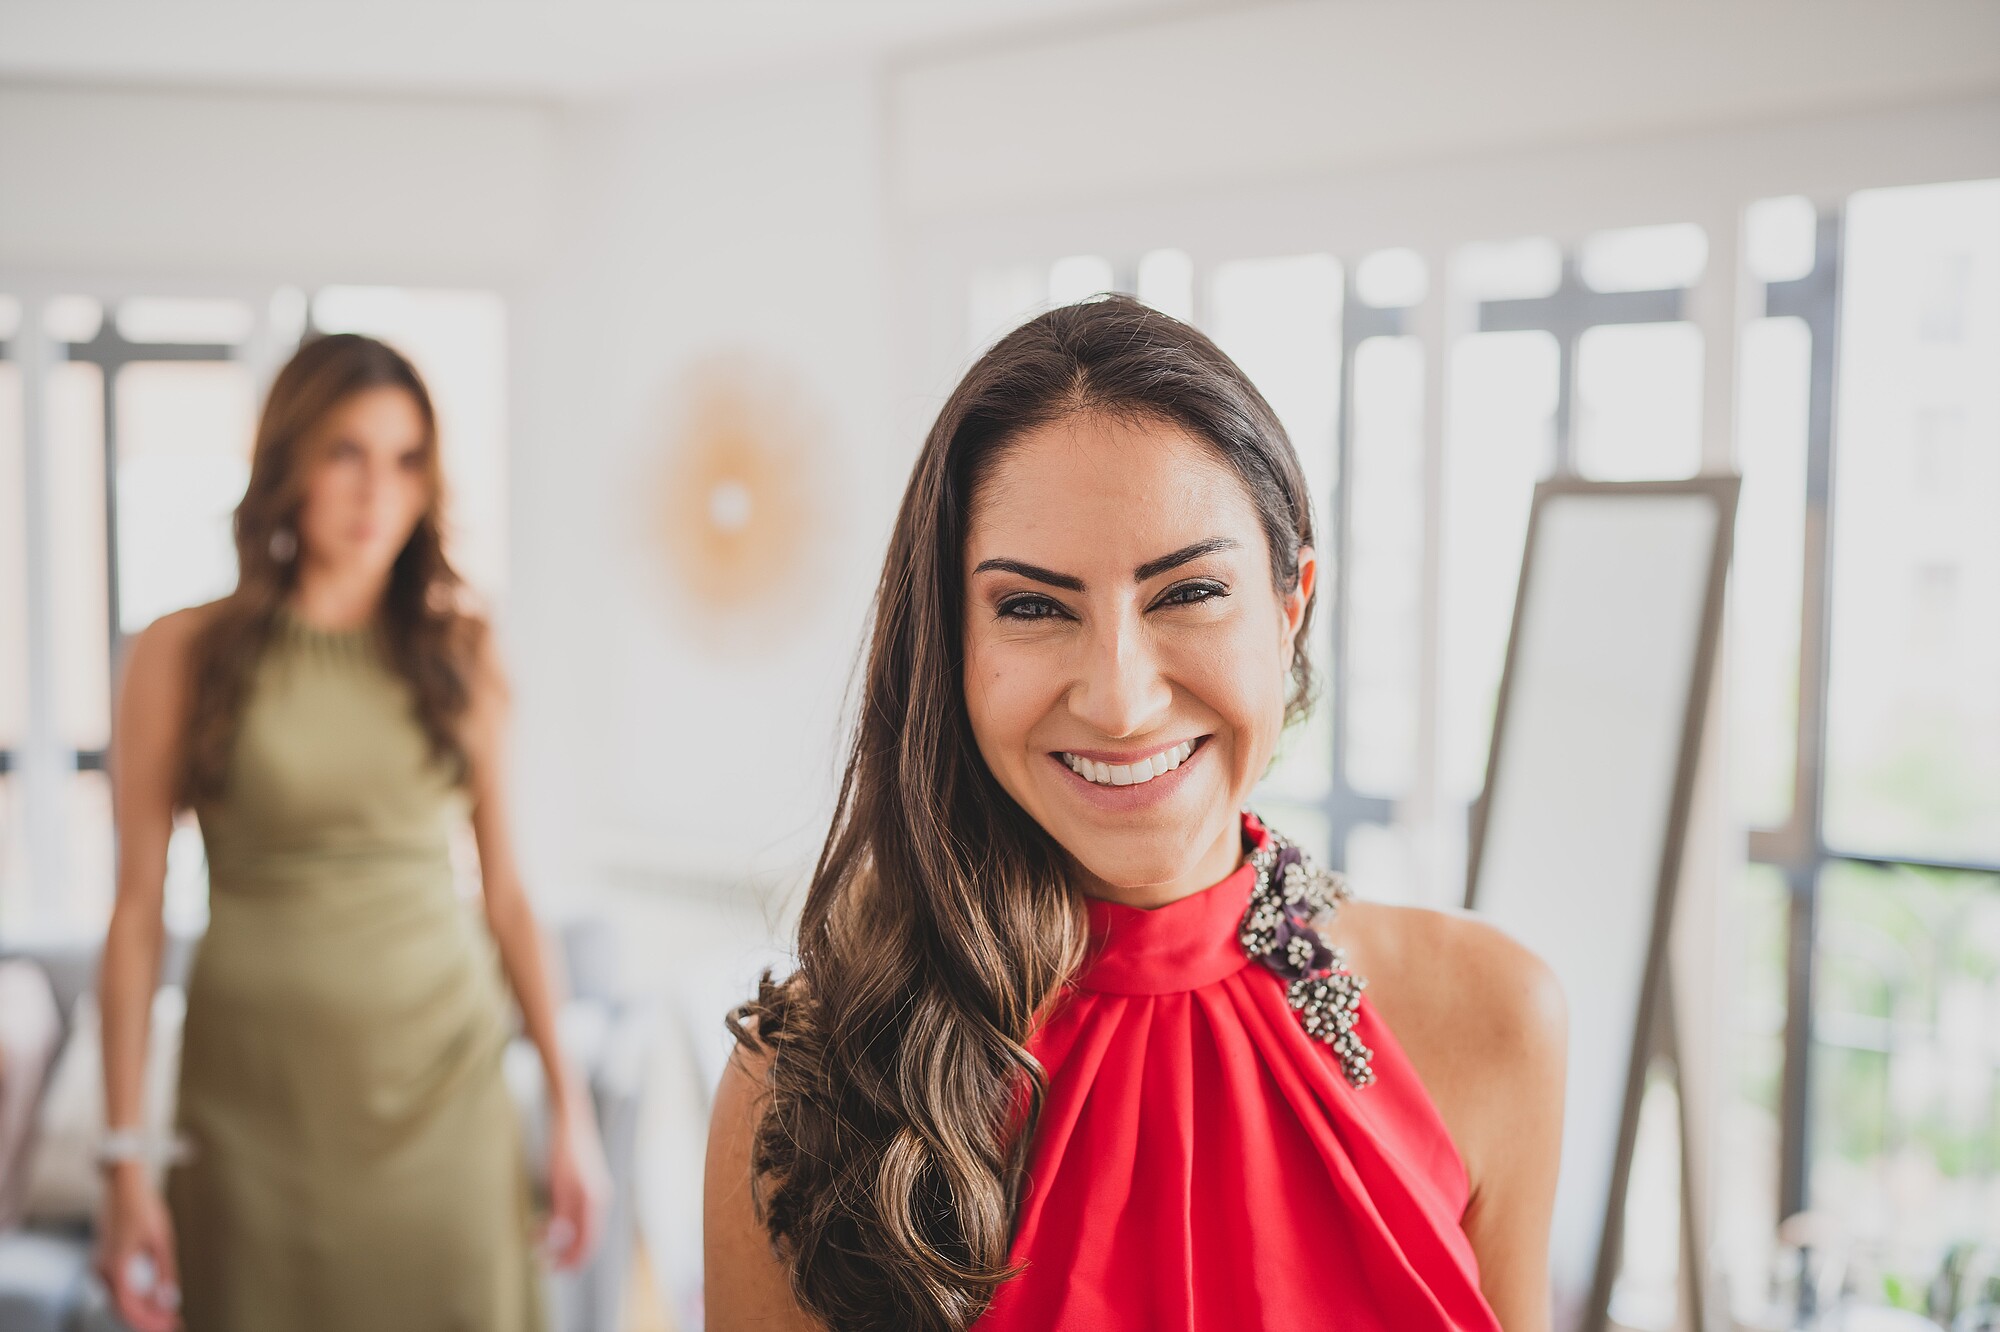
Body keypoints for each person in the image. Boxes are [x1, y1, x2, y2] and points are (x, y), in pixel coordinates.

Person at [704, 296, 1566, 1331]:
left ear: (1290, 608)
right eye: (1031, 607)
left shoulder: (1493, 1023)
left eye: (1187, 592)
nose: (1117, 701)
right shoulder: (806, 1083)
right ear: (952, 646)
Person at [95, 333, 611, 1332]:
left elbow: (505, 894)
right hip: (253, 1114)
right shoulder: (180, 651)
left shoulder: (462, 647)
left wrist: (571, 1114)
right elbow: (134, 913)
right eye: (346, 453)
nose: (378, 490)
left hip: (443, 1102)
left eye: (406, 459)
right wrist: (124, 1158)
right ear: (287, 461)